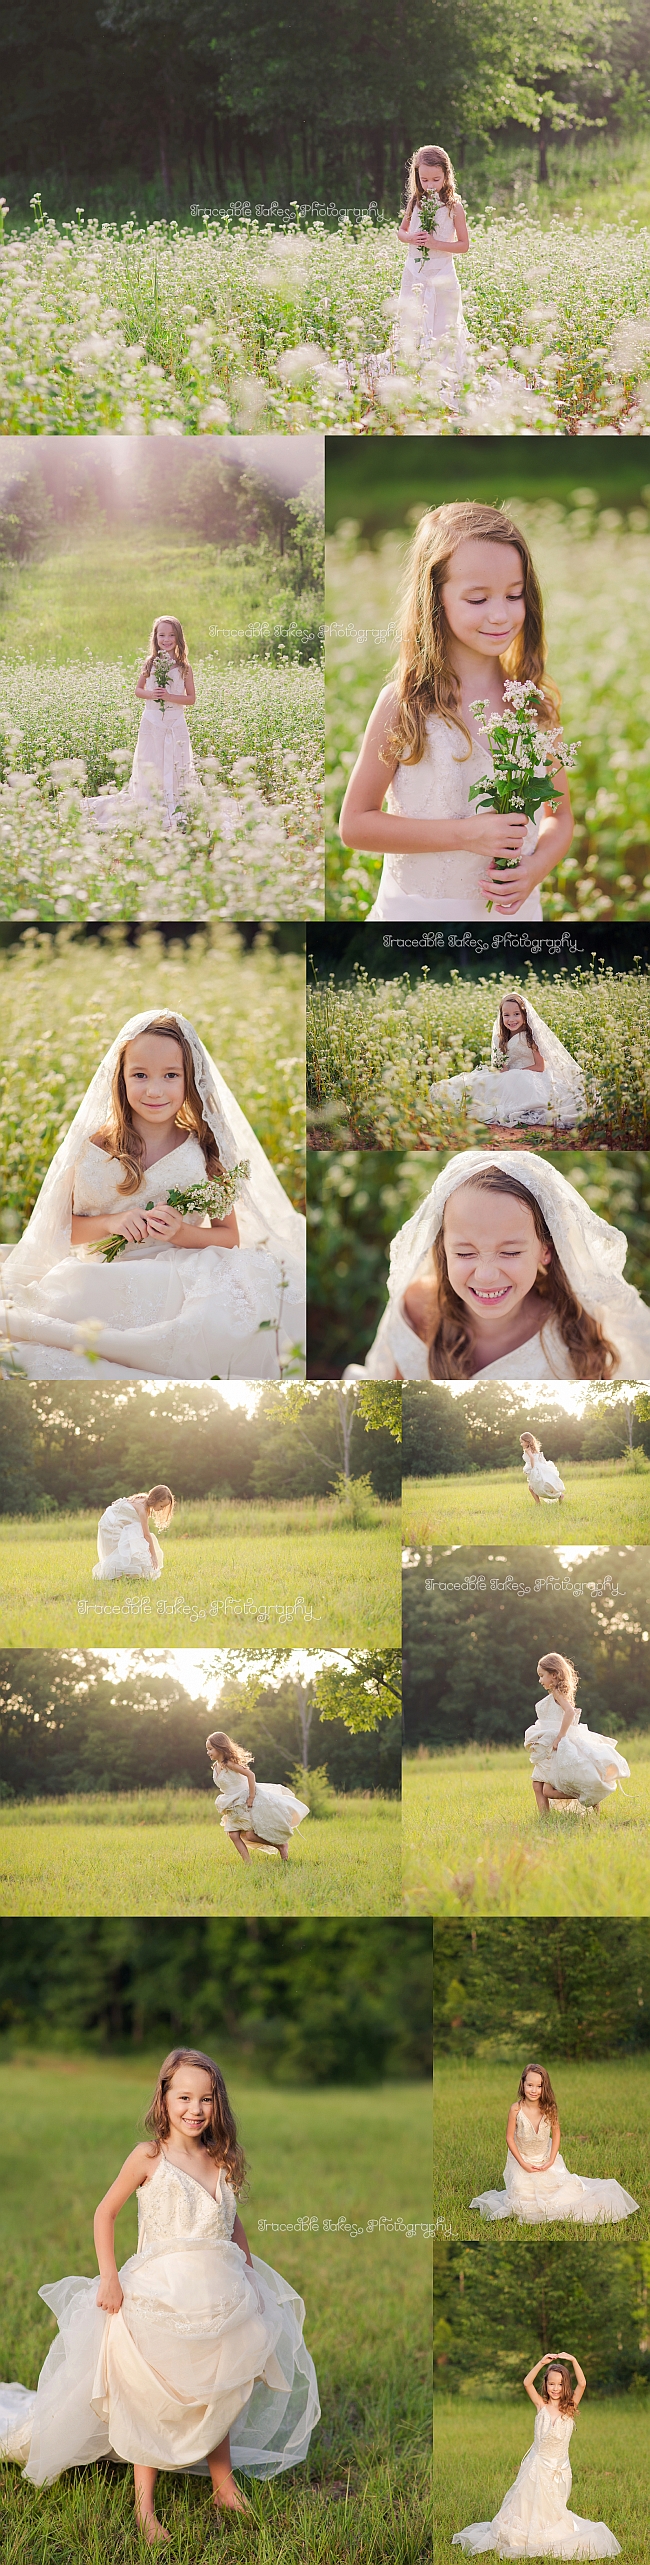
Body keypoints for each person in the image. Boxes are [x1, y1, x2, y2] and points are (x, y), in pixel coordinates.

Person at [0, 2047, 319, 2541]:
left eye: (206, 2099)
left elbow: (232, 2225)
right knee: (151, 2392)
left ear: (218, 2104)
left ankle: (223, 2485)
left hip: (219, 2298)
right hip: (158, 2296)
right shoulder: (150, 2156)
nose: (195, 2109)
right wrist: (109, 2276)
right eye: (184, 2097)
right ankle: (145, 2506)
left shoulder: (221, 2159)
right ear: (164, 2099)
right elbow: (103, 2213)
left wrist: (252, 2277)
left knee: (219, 2384)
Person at [0, 1010, 304, 1380]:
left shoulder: (205, 1151)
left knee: (241, 1296)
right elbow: (60, 1230)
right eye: (140, 1075)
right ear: (121, 1079)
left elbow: (229, 1237)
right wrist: (111, 1222)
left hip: (179, 1274)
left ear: (190, 1080)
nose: (155, 1090)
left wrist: (180, 1233)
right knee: (73, 1299)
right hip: (103, 1274)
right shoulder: (94, 1148)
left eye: (170, 1076)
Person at [338, 504, 574, 921]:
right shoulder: (405, 703)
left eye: (514, 595)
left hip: (513, 915)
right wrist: (468, 834)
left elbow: (560, 815)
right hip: (416, 916)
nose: (500, 614)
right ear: (435, 600)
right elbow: (355, 825)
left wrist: (535, 869)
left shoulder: (529, 704)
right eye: (478, 598)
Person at [344, 1152, 650, 1382]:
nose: (486, 1275)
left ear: (546, 1250)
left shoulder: (575, 1331)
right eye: (465, 1254)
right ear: (443, 1251)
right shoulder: (415, 1309)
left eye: (510, 1252)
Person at [452, 2352, 620, 2556]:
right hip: (537, 2467)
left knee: (554, 2509)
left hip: (560, 2468)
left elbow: (583, 2384)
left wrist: (574, 2360)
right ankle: (529, 2533)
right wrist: (542, 2362)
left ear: (565, 2385)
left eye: (559, 2384)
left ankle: (550, 2530)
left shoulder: (570, 2407)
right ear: (546, 2385)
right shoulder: (541, 2405)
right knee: (530, 2505)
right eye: (551, 2384)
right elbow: (526, 2382)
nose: (555, 2388)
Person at [470, 2060, 638, 2224]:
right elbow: (509, 2138)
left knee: (562, 2193)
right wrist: (522, 2163)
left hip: (545, 2159)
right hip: (522, 2160)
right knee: (523, 2199)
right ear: (523, 2084)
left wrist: (551, 2159)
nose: (534, 2090)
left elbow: (556, 2134)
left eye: (539, 2086)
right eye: (530, 2085)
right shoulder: (516, 2109)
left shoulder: (550, 2108)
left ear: (544, 2087)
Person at [429, 993, 586, 1130]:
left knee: (517, 1081)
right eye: (506, 1015)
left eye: (516, 1014)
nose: (511, 1019)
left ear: (525, 1015)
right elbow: (500, 1064)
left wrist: (513, 1073)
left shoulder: (531, 1037)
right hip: (509, 1076)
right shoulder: (500, 1038)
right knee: (479, 1083)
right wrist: (502, 1070)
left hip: (531, 1075)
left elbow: (540, 1066)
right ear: (501, 1016)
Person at [526, 1652, 630, 1814]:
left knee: (547, 1790)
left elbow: (570, 1713)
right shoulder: (556, 1693)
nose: (539, 1680)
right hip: (549, 1747)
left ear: (554, 1675)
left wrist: (560, 1737)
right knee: (538, 1785)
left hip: (556, 1746)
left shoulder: (558, 1694)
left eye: (542, 1675)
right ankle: (544, 1819)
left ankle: (589, 1796)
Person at [396, 144, 469, 359]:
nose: (429, 185)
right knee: (412, 326)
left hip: (442, 274)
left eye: (436, 180)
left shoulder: (454, 207)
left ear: (446, 175)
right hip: (415, 273)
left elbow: (464, 245)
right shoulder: (415, 202)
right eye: (424, 180)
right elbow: (401, 231)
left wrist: (435, 243)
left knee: (443, 331)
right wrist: (410, 237)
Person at [207, 1730, 310, 1864]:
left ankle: (280, 1845)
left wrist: (251, 1797)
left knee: (250, 1835)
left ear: (220, 1747)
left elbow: (251, 1775)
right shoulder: (216, 1766)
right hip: (231, 1803)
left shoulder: (229, 1764)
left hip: (244, 1801)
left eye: (210, 1749)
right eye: (207, 1749)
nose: (208, 1752)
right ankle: (248, 1863)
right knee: (233, 1834)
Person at [92, 1486, 175, 1581]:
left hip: (113, 1520)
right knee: (121, 1549)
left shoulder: (143, 1498)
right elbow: (146, 1535)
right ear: (155, 1499)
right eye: (161, 1506)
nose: (161, 1509)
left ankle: (125, 1576)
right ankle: (116, 1577)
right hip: (111, 1524)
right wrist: (153, 1556)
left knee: (132, 1542)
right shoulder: (142, 1509)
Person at [520, 1432, 565, 1504]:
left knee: (534, 1488)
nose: (521, 1444)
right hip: (539, 1468)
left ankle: (539, 1502)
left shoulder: (527, 1450)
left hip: (535, 1469)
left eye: (522, 1442)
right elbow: (540, 1459)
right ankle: (559, 1496)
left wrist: (532, 1468)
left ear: (527, 1442)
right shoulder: (535, 1449)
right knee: (538, 1486)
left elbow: (532, 1458)